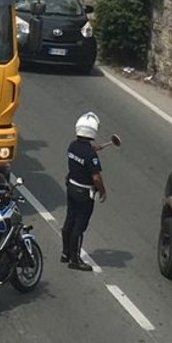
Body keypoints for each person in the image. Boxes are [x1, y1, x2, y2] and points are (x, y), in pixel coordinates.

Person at [61, 111, 107, 271]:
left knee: (69, 220)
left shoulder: (72, 146)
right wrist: (103, 191)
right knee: (79, 227)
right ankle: (75, 259)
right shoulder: (90, 154)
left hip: (71, 187)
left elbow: (82, 154)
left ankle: (65, 252)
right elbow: (95, 177)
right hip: (84, 193)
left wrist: (92, 150)